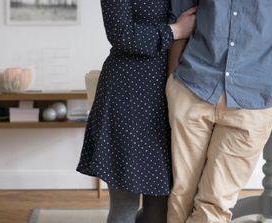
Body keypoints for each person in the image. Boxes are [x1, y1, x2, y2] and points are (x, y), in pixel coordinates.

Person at [166, 0, 272, 222]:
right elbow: (181, 13)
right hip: (193, 85)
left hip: (254, 99)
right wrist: (173, 78)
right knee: (181, 195)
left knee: (215, 204)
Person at [76, 0, 196, 222]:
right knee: (125, 205)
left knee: (160, 208)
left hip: (174, 95)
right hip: (127, 96)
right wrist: (176, 30)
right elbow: (121, 34)